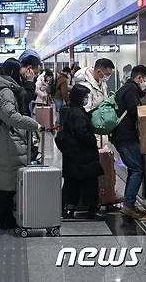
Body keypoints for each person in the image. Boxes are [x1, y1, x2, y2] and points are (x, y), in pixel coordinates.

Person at [0, 58, 41, 229]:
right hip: (5, 142)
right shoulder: (5, 91)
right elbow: (10, 116)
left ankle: (5, 219)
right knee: (10, 184)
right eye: (20, 70)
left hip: (1, 140)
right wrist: (33, 124)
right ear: (14, 72)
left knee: (7, 184)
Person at [57, 84, 105, 220]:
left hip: (73, 155)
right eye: (85, 96)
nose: (87, 99)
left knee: (72, 183)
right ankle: (91, 209)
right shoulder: (78, 114)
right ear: (79, 98)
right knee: (90, 182)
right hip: (83, 155)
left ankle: (68, 208)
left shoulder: (70, 110)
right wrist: (92, 140)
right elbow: (82, 133)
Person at [112, 65, 146, 220]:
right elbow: (135, 111)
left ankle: (129, 204)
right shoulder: (131, 90)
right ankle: (129, 206)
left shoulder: (127, 88)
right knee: (137, 169)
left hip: (123, 136)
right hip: (126, 137)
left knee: (134, 168)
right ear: (139, 78)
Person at [18, 49, 42, 116]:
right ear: (29, 68)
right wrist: (30, 81)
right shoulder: (16, 80)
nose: (36, 75)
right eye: (35, 73)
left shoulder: (24, 79)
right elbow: (24, 100)